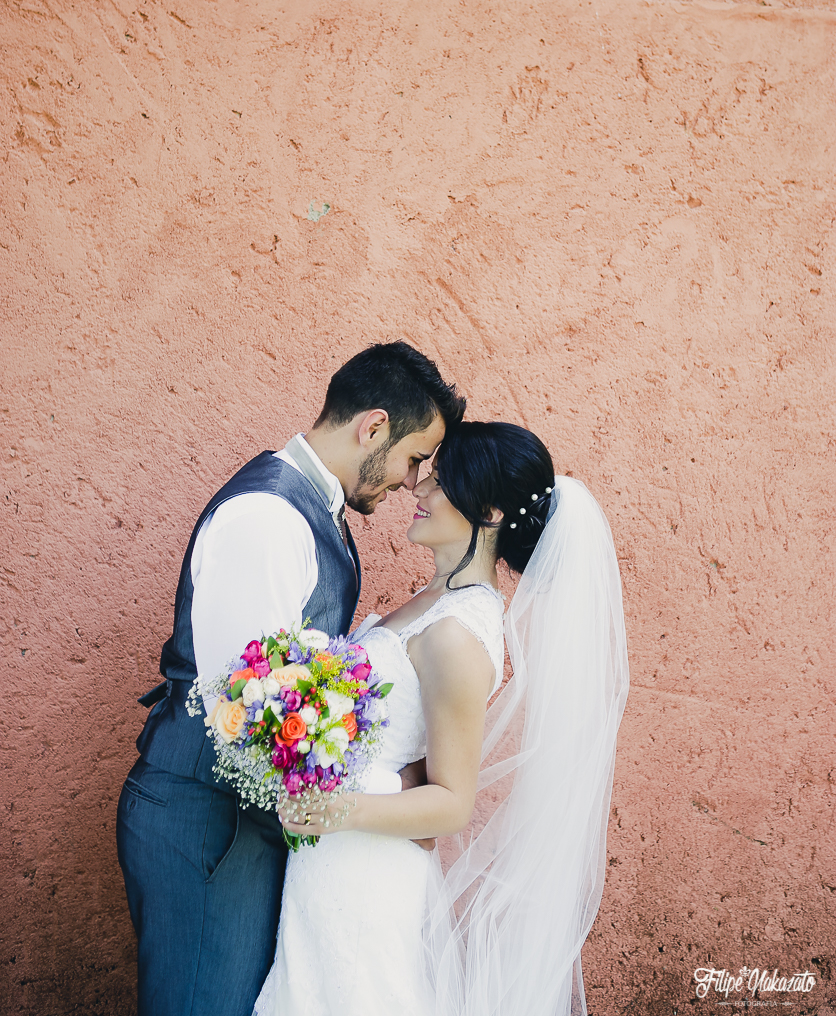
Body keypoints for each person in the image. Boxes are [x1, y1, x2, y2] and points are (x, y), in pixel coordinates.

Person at [116, 342, 466, 1016]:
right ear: (372, 427)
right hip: (206, 826)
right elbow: (244, 712)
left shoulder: (315, 508)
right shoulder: (269, 518)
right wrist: (391, 795)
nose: (412, 481)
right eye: (413, 456)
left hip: (237, 825)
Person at [253, 421, 630, 1016]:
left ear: (491, 511)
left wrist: (331, 808)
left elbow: (452, 802)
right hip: (332, 867)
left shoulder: (458, 633)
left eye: (439, 478)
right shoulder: (435, 603)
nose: (418, 488)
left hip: (366, 875)